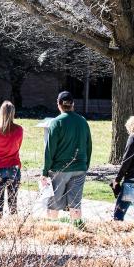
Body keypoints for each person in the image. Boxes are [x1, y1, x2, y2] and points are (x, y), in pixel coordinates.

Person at [42, 91, 91, 224]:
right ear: (73, 104)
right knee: (75, 204)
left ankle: (52, 231)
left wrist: (45, 171)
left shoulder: (56, 122)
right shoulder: (83, 121)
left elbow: (50, 150)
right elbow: (89, 146)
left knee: (54, 203)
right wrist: (85, 166)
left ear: (58, 104)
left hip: (60, 169)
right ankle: (77, 230)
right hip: (80, 168)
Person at [0, 101, 24, 217]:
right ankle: (14, 227)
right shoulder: (19, 130)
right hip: (13, 166)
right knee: (13, 201)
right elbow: (18, 146)